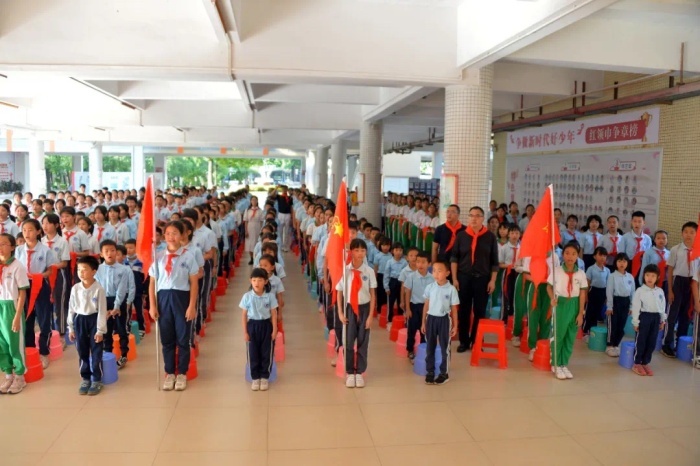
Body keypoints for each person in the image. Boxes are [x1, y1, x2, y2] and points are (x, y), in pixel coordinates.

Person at [148, 221, 199, 391]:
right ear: (164, 236)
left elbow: (194, 283)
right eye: (168, 233)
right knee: (167, 338)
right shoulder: (158, 257)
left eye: (175, 233)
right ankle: (169, 372)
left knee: (183, 338)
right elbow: (152, 283)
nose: (171, 236)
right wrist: (152, 306)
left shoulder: (188, 256)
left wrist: (191, 306)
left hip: (181, 298)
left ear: (182, 235)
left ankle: (182, 373)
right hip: (163, 298)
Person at [450, 206, 499, 353]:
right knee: (464, 311)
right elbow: (454, 259)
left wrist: (492, 281)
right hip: (463, 278)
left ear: (483, 218)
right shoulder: (461, 236)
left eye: (477, 216)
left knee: (480, 311)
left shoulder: (490, 237)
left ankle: (477, 341)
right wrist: (454, 279)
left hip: (482, 280)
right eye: (471, 215)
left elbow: (494, 262)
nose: (474, 218)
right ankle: (464, 341)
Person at [16, 219, 58, 369]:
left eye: (30, 230)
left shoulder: (45, 250)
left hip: (40, 285)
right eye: (24, 230)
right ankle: (30, 350)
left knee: (43, 319)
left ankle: (44, 352)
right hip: (24, 287)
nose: (27, 233)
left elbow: (50, 271)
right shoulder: (19, 250)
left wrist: (38, 276)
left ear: (38, 231)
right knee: (27, 319)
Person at [336, 239, 376, 389]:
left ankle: (359, 372)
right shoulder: (345, 271)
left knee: (363, 341)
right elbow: (339, 292)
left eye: (363, 250)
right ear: (351, 252)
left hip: (364, 309)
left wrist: (370, 316)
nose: (360, 253)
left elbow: (372, 294)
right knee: (348, 340)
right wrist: (340, 312)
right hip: (349, 309)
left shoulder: (369, 271)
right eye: (357, 250)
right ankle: (349, 372)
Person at [67, 256, 107, 395]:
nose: (81, 273)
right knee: (82, 351)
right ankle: (85, 378)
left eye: (84, 269)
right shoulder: (75, 288)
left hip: (94, 320)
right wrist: (71, 328)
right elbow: (71, 308)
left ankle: (97, 379)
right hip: (79, 320)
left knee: (96, 351)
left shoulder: (99, 289)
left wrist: (100, 331)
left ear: (94, 271)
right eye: (79, 269)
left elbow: (102, 311)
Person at [547, 242, 588, 380]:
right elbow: (549, 287)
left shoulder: (581, 274)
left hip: (575, 305)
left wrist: (580, 313)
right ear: (563, 254)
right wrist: (552, 298)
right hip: (561, 304)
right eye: (567, 253)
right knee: (558, 335)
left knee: (570, 337)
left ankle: (564, 363)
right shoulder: (557, 271)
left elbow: (582, 294)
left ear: (578, 256)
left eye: (574, 254)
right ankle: (555, 363)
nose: (570, 256)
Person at [662, 222, 697, 358]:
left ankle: (680, 344)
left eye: (692, 232)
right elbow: (670, 271)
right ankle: (667, 344)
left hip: (692, 283)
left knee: (686, 316)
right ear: (682, 233)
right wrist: (670, 290)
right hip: (677, 282)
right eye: (686, 232)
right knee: (672, 315)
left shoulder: (698, 251)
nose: (688, 235)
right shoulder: (675, 249)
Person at [240, 268, 278, 391]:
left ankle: (264, 377)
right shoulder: (247, 296)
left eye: (260, 280)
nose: (257, 283)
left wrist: (274, 330)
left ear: (266, 281)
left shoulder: (270, 296)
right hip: (252, 326)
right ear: (250, 281)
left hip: (266, 326)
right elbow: (244, 315)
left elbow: (274, 314)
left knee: (267, 352)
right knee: (253, 353)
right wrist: (245, 332)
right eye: (254, 280)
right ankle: (255, 378)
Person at [421, 260, 459, 385]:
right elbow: (426, 306)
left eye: (439, 271)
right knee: (430, 347)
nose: (436, 273)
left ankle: (444, 373)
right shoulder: (430, 287)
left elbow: (454, 309)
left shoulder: (451, 289)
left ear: (447, 273)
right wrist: (423, 322)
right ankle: (430, 372)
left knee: (445, 348)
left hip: (444, 320)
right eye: (434, 271)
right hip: (431, 319)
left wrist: (455, 326)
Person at [0, 233, 29, 394]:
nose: (0, 247)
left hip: (12, 307)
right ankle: (8, 374)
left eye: (4, 244)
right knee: (1, 344)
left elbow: (22, 293)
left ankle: (19, 376)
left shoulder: (18, 266)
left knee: (14, 343)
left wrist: (17, 317)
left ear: (12, 247)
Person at [96, 240, 130, 369]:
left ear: (116, 252)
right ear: (101, 254)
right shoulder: (98, 270)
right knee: (106, 329)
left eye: (112, 250)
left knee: (121, 328)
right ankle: (108, 354)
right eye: (106, 251)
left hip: (119, 301)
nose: (109, 253)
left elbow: (122, 289)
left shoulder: (124, 269)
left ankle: (124, 354)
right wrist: (102, 307)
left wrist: (116, 307)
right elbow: (97, 288)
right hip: (103, 301)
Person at [631, 264, 667, 376]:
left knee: (651, 342)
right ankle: (637, 363)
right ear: (644, 276)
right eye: (647, 275)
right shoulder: (640, 291)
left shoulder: (660, 291)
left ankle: (645, 362)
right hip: (644, 317)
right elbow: (636, 307)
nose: (650, 278)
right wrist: (636, 322)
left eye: (653, 276)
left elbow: (662, 306)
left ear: (658, 277)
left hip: (656, 318)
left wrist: (663, 320)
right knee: (641, 341)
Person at [403, 252, 433, 360]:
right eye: (418, 262)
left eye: (423, 262)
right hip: (414, 306)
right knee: (411, 329)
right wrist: (408, 309)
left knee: (424, 330)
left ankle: (423, 350)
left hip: (427, 308)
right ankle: (410, 350)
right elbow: (407, 293)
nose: (420, 264)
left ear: (429, 264)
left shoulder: (432, 278)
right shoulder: (411, 276)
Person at [605, 252, 635, 357]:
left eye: (624, 261)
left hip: (625, 302)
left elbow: (633, 292)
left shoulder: (630, 277)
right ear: (616, 263)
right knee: (613, 324)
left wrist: (631, 306)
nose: (622, 263)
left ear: (628, 263)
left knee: (621, 325)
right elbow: (609, 292)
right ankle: (609, 345)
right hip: (615, 301)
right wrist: (609, 306)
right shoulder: (612, 276)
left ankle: (616, 344)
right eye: (619, 261)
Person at [584, 247, 610, 339]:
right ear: (594, 256)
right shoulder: (591, 269)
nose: (602, 257)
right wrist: (586, 295)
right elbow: (587, 283)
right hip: (593, 291)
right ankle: (585, 330)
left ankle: (593, 330)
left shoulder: (607, 270)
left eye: (604, 256)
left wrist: (607, 297)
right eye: (600, 255)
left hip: (602, 292)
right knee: (589, 312)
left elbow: (608, 284)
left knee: (597, 312)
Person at [499, 225, 520, 322]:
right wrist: (509, 266)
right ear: (508, 234)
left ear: (519, 234)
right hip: (508, 273)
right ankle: (504, 319)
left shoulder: (522, 247)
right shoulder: (504, 248)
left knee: (517, 296)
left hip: (519, 273)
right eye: (512, 233)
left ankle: (515, 319)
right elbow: (500, 264)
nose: (514, 235)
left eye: (516, 233)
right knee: (507, 295)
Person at [622, 211, 651, 282]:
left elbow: (648, 254)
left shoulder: (647, 239)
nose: (637, 224)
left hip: (642, 264)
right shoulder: (625, 237)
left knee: (640, 283)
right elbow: (621, 253)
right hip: (629, 264)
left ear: (644, 223)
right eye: (635, 221)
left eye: (639, 221)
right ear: (631, 222)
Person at [383, 242, 407, 329]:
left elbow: (406, 275)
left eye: (400, 250)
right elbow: (386, 275)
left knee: (401, 301)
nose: (398, 252)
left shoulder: (404, 262)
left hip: (401, 283)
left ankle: (400, 319)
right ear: (392, 251)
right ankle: (389, 320)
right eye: (396, 250)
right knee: (391, 302)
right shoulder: (389, 262)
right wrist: (386, 287)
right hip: (392, 282)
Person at [244, 196, 263, 265]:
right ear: (250, 201)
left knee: (256, 242)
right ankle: (251, 258)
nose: (254, 201)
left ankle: (256, 258)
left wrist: (261, 230)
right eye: (252, 200)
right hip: (250, 226)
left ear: (257, 201)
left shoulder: (260, 210)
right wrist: (246, 230)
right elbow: (246, 221)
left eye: (255, 200)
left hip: (257, 226)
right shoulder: (247, 210)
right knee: (250, 243)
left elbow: (261, 221)